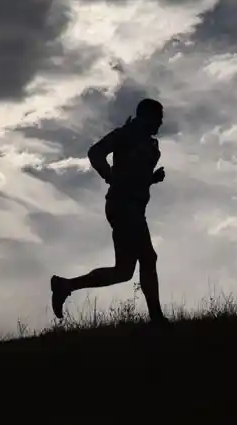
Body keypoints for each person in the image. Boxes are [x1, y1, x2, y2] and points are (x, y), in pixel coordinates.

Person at [51, 97, 168, 323]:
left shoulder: (148, 143)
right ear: (147, 116)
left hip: (132, 206)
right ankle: (157, 319)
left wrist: (151, 179)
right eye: (159, 118)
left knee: (124, 272)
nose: (160, 124)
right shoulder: (126, 134)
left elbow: (134, 175)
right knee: (148, 257)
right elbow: (95, 152)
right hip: (123, 205)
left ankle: (65, 285)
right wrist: (110, 176)